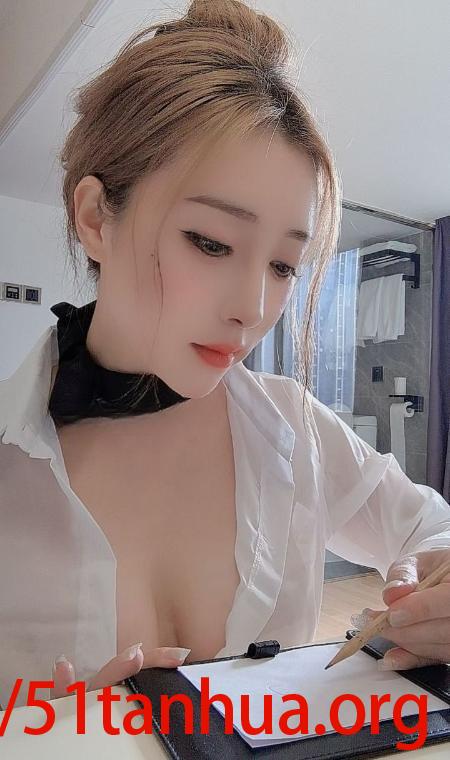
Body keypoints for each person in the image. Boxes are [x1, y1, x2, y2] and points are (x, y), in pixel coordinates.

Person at [1, 0, 450, 710]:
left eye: (283, 266)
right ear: (95, 218)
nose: (253, 308)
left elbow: (431, 525)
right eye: (210, 243)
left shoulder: (294, 426)